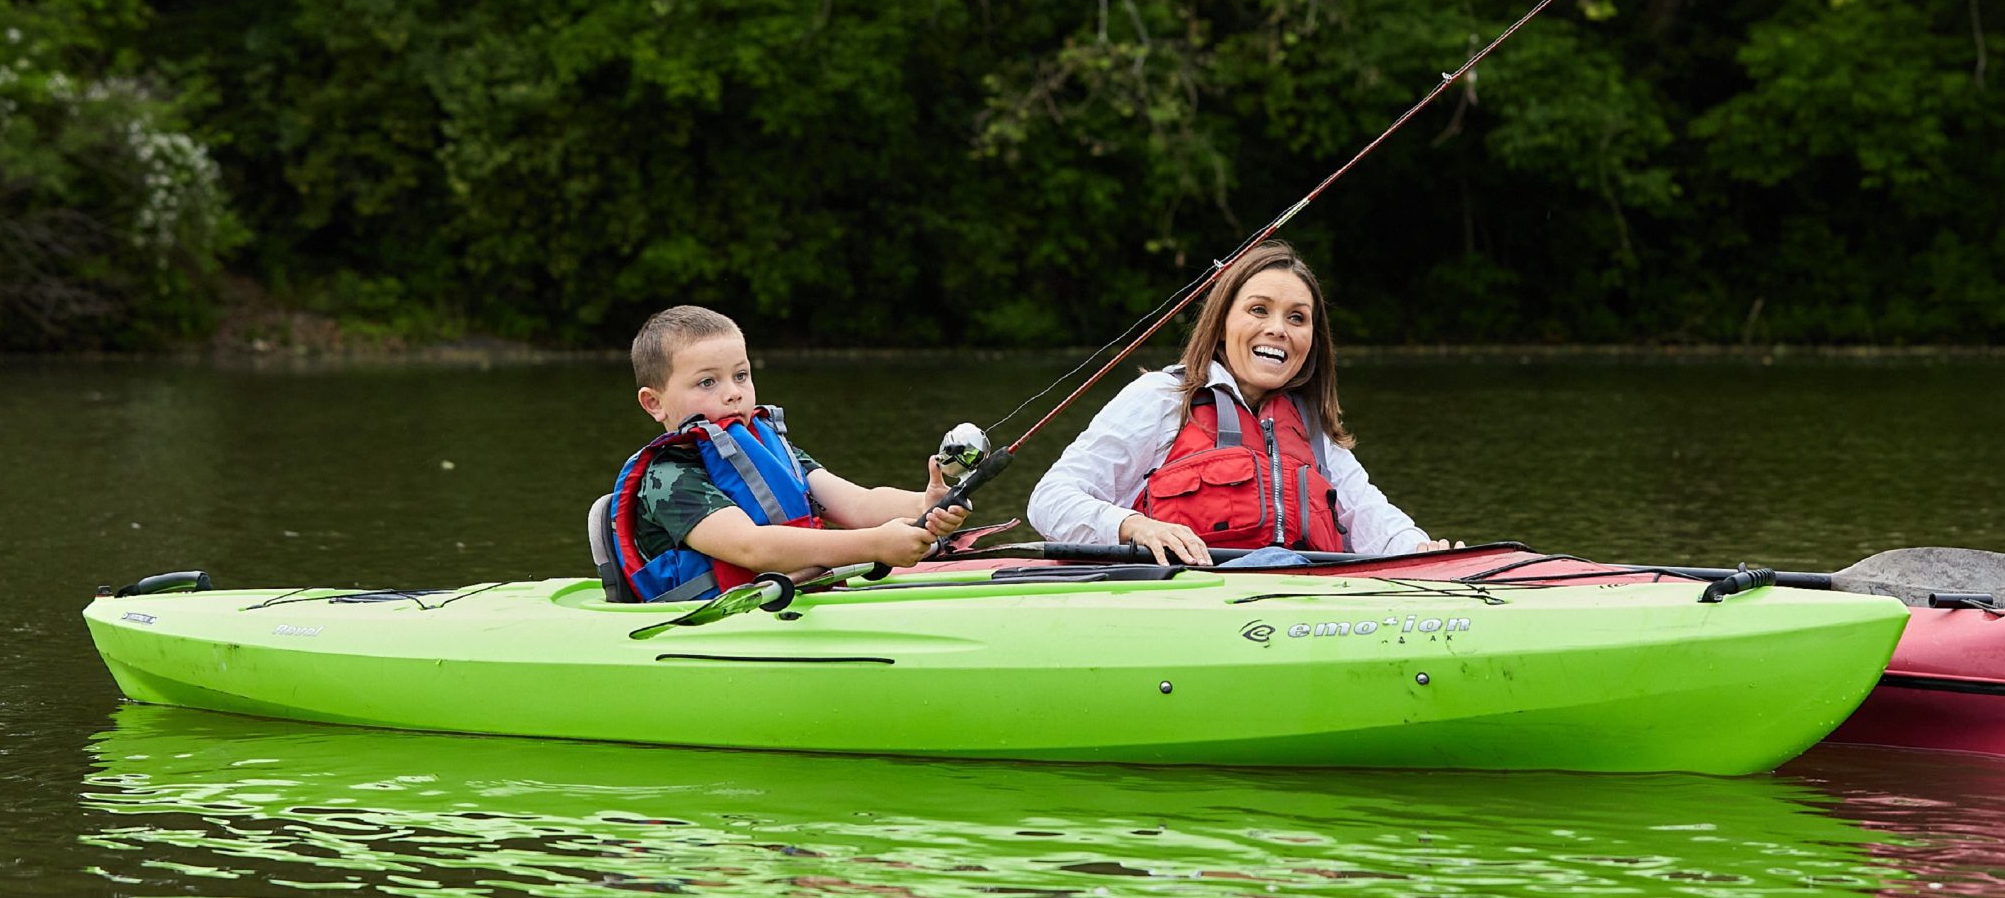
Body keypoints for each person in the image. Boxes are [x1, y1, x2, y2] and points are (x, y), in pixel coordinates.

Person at [1027, 241, 1448, 565]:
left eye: (1297, 318)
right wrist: (1133, 526)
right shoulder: (1162, 397)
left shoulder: (1313, 432)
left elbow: (1377, 524)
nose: (1278, 329)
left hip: (1299, 599)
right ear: (1224, 323)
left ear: (1312, 341)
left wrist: (1426, 550)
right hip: (1182, 602)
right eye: (1259, 310)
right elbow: (1049, 500)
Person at [604, 305, 969, 602]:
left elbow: (859, 503)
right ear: (654, 403)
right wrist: (875, 545)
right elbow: (752, 549)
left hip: (791, 599)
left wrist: (925, 505)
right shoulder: (668, 477)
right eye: (707, 382)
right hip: (720, 627)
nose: (733, 393)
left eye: (741, 375)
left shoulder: (769, 451)